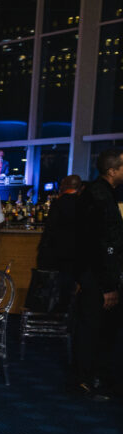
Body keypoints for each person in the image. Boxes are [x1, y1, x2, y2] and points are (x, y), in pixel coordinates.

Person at [73, 148, 123, 400]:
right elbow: (99, 244)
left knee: (97, 330)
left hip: (92, 274)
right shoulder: (100, 197)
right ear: (112, 171)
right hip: (97, 276)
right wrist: (108, 285)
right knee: (92, 330)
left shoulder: (98, 193)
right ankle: (85, 382)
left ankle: (92, 378)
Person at [35, 175, 83, 312]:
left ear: (65, 185)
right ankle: (64, 315)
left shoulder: (59, 203)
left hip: (53, 253)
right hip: (73, 253)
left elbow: (50, 229)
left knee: (49, 287)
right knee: (67, 288)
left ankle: (48, 314)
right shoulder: (82, 203)